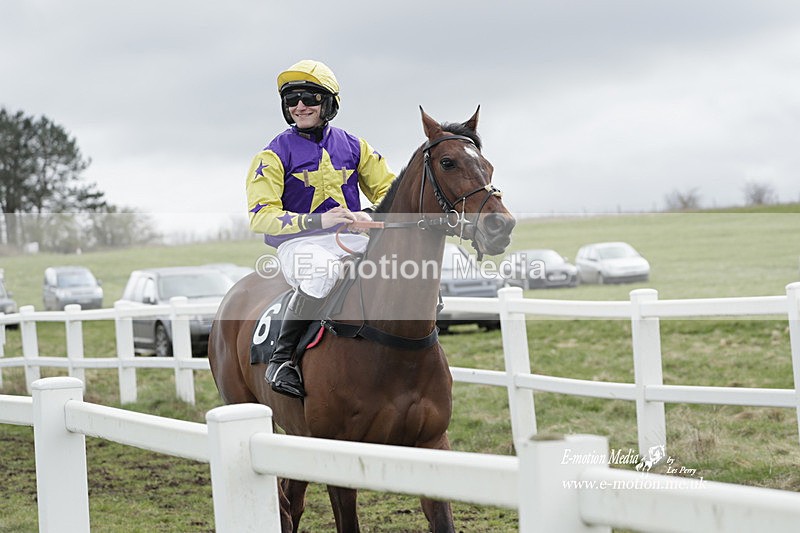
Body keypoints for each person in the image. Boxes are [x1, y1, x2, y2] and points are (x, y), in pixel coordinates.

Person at [246, 59, 396, 398]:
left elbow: (390, 191)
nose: (300, 106)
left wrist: (368, 214)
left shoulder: (356, 146)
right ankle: (282, 360)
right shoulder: (271, 155)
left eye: (309, 98)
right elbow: (261, 217)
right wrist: (318, 221)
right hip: (297, 245)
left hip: (349, 239)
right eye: (291, 100)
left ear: (328, 103)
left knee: (398, 265)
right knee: (322, 272)